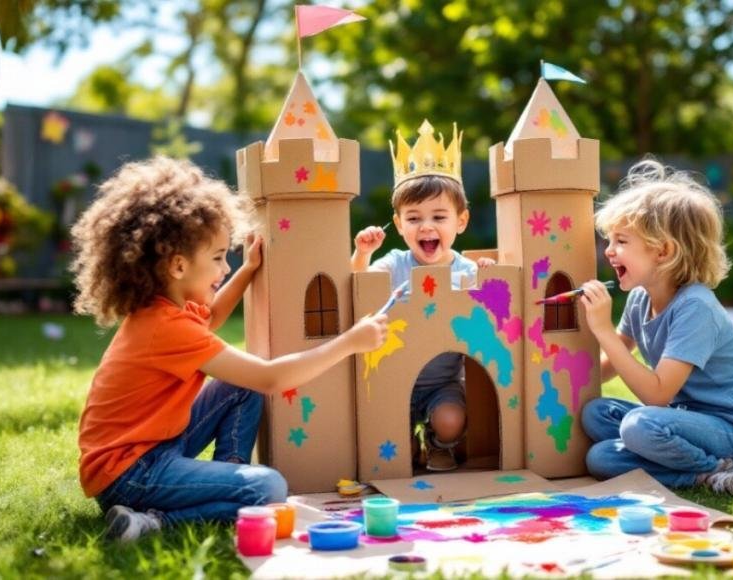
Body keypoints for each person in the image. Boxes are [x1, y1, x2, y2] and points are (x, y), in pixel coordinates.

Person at [71, 157, 387, 541]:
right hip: (131, 474)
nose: (224, 268)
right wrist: (350, 341)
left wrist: (248, 269)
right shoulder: (166, 327)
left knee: (240, 386)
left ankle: (230, 480)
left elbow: (212, 317)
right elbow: (270, 378)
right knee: (267, 488)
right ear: (178, 265)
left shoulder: (165, 310)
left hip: (150, 450)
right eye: (219, 258)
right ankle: (152, 522)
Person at [578, 159, 733, 498]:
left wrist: (603, 331)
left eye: (621, 241)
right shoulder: (640, 298)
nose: (608, 251)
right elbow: (610, 365)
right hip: (682, 422)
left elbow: (656, 395)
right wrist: (553, 377)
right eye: (609, 240)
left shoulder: (695, 306)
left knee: (638, 425)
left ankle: (716, 473)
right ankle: (703, 470)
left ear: (664, 251)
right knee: (599, 437)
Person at [351, 120, 492, 471]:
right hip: (391, 378)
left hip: (442, 383)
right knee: (386, 438)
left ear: (460, 222)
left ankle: (437, 442)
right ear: (399, 225)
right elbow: (360, 285)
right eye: (414, 218)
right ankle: (411, 446)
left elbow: (493, 314)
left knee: (450, 420)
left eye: (439, 216)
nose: (426, 226)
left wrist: (491, 281)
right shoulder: (396, 263)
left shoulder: (466, 271)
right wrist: (362, 255)